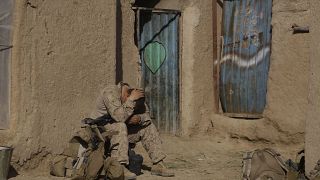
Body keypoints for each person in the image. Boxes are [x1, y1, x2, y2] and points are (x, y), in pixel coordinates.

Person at [91, 82, 174, 179]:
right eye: (129, 99)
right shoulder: (110, 92)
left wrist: (139, 118)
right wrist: (130, 100)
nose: (132, 104)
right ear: (126, 94)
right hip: (101, 133)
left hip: (120, 135)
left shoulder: (135, 98)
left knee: (148, 126)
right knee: (120, 125)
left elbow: (147, 116)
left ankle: (158, 164)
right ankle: (120, 168)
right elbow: (120, 117)